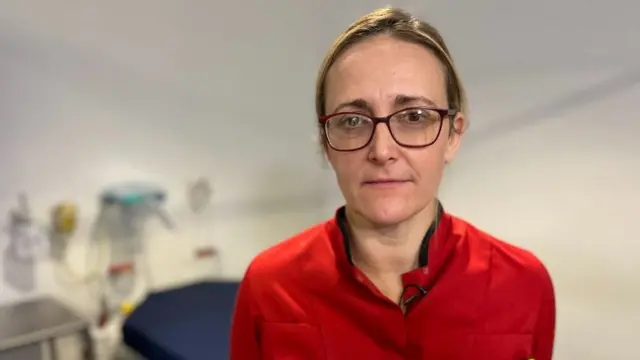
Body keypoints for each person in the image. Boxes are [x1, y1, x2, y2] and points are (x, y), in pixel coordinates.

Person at [230, 6, 556, 360]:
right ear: (326, 143)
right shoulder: (270, 286)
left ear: (452, 135)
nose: (382, 151)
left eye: (414, 117)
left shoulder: (522, 285)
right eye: (352, 121)